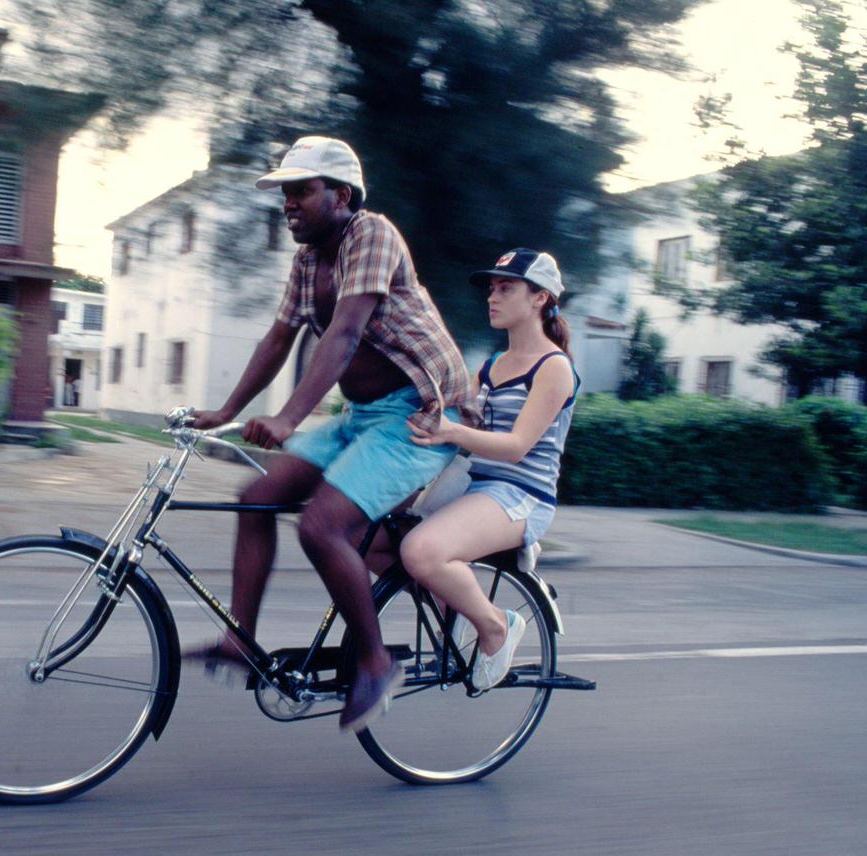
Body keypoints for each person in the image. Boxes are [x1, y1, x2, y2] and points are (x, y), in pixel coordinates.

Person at [188, 136, 476, 731]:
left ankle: (373, 662)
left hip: (421, 414)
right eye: (284, 194)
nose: (288, 203)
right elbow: (278, 339)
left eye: (301, 191)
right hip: (364, 415)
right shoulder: (307, 260)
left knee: (322, 526)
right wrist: (227, 410)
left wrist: (289, 417)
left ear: (341, 196)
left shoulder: (371, 234)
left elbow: (344, 334)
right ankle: (241, 641)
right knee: (256, 496)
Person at [399, 248, 580, 690]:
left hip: (521, 497)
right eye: (492, 289)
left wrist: (452, 433)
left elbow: (517, 448)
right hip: (476, 489)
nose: (492, 298)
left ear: (540, 298)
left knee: (422, 551)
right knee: (374, 539)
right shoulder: (493, 366)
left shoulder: (554, 367)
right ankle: (460, 609)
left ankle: (496, 625)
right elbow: (460, 420)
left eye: (506, 288)